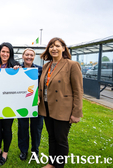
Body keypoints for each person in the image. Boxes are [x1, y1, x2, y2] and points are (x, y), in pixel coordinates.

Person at [38, 37, 83, 168]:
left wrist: (76, 113)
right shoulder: (46, 66)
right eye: (51, 46)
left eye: (57, 46)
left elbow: (78, 90)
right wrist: (38, 97)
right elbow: (43, 86)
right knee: (52, 137)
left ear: (63, 48)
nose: (54, 48)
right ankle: (51, 163)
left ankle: (59, 166)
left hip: (63, 109)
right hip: (47, 108)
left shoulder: (72, 65)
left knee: (61, 140)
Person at [0, 42, 20, 166]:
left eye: (8, 52)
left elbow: (20, 83)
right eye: (3, 51)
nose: (5, 54)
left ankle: (5, 153)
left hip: (9, 103)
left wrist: (18, 72)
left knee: (6, 128)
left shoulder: (16, 66)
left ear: (10, 53)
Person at [17, 48, 43, 161]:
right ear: (23, 56)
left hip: (37, 103)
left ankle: (35, 151)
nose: (29, 57)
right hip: (22, 103)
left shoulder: (40, 70)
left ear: (34, 56)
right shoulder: (17, 69)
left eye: (31, 55)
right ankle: (23, 151)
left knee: (36, 128)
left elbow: (43, 86)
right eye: (27, 54)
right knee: (22, 128)